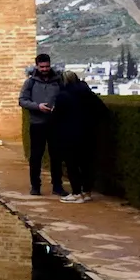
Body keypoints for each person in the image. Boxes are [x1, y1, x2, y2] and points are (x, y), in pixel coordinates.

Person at [54, 71, 106, 203]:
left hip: (70, 135)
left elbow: (57, 117)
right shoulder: (87, 93)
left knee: (72, 164)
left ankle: (76, 193)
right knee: (86, 164)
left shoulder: (63, 95)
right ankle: (86, 192)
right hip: (89, 133)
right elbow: (102, 110)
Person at [19, 53, 65, 196]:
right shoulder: (30, 82)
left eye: (47, 66)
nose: (45, 69)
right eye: (42, 67)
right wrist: (37, 106)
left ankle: (57, 186)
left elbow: (65, 97)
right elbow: (22, 100)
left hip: (55, 123)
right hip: (37, 123)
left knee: (56, 156)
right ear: (37, 66)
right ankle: (35, 186)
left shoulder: (58, 80)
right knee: (36, 156)